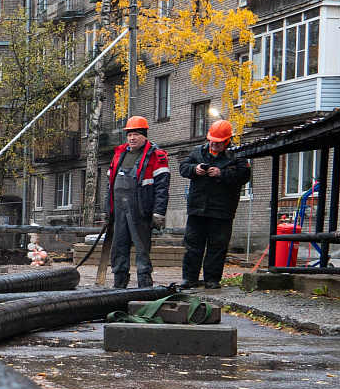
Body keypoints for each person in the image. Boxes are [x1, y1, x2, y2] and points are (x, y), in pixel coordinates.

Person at [179, 119, 252, 289]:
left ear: (227, 141)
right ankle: (190, 279)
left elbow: (244, 176)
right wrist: (194, 169)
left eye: (218, 143)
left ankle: (212, 280)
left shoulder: (237, 155)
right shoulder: (198, 152)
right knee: (192, 245)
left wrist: (222, 174)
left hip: (222, 210)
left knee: (217, 247)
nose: (214, 144)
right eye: (212, 140)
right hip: (197, 208)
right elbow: (183, 167)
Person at [104, 115, 169, 289]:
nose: (132, 138)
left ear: (145, 135)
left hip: (141, 209)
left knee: (142, 249)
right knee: (119, 247)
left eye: (136, 134)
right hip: (119, 208)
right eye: (129, 135)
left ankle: (145, 286)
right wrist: (108, 210)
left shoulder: (156, 156)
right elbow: (109, 185)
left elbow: (162, 188)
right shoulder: (119, 154)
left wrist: (158, 213)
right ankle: (119, 285)